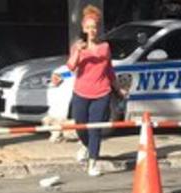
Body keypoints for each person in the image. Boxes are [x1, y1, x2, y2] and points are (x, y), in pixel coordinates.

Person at [51, 5, 126, 177]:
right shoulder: (78, 47)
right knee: (80, 127)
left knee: (95, 129)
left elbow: (109, 70)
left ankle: (93, 163)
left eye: (95, 27)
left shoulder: (105, 47)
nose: (92, 30)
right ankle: (86, 147)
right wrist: (78, 51)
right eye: (89, 27)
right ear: (84, 29)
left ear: (98, 29)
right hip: (81, 92)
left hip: (102, 93)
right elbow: (71, 66)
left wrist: (118, 88)